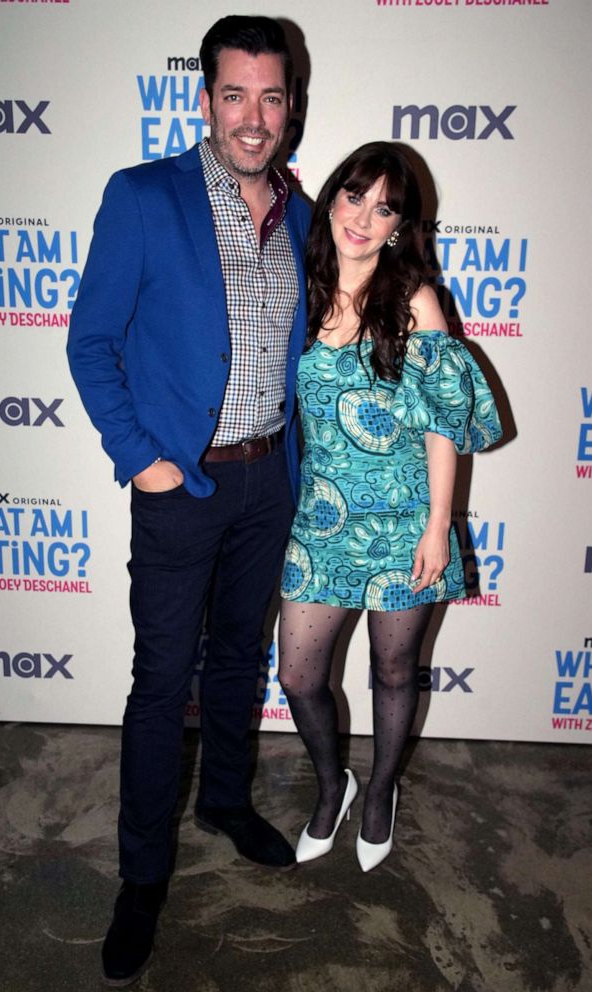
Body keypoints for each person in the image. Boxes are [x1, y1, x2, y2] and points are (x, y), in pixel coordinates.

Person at [67, 15, 311, 986]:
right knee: (162, 682)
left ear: (290, 105)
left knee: (239, 654)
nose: (254, 118)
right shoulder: (142, 198)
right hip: (181, 479)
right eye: (235, 94)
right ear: (204, 99)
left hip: (266, 477)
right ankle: (142, 873)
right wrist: (143, 459)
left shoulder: (298, 211)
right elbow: (90, 342)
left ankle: (224, 799)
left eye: (272, 96)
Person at [278, 142, 502, 872]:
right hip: (322, 519)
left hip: (408, 520)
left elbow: (442, 422)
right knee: (299, 677)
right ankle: (331, 784)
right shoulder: (300, 289)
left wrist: (439, 527)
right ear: (332, 199)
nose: (364, 218)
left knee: (394, 672)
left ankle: (378, 793)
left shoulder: (414, 300)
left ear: (401, 227)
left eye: (385, 209)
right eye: (354, 197)